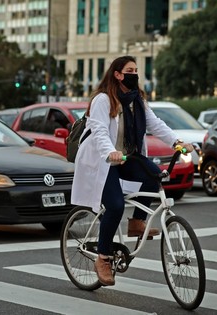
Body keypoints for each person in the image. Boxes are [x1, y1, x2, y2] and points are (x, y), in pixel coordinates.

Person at [71, 56, 193, 286]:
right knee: (115, 205)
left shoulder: (137, 100)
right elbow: (98, 131)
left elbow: (156, 124)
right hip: (102, 159)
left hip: (126, 157)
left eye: (136, 70)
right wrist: (110, 152)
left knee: (154, 176)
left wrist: (178, 142)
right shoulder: (103, 100)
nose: (135, 73)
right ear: (117, 74)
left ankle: (137, 222)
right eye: (130, 70)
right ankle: (103, 258)